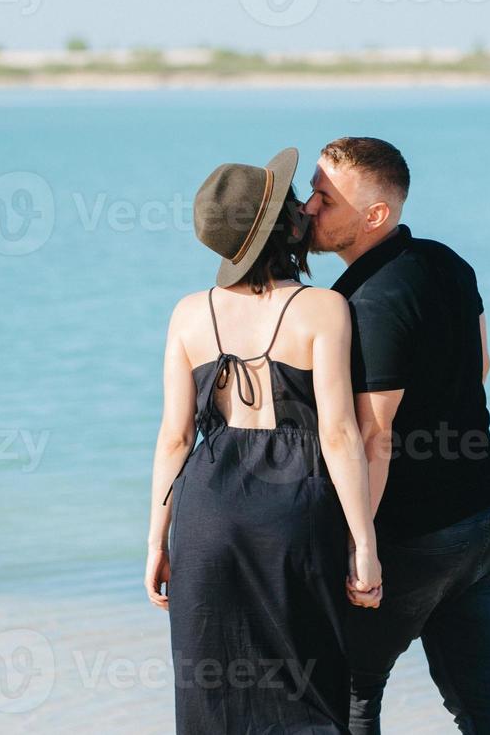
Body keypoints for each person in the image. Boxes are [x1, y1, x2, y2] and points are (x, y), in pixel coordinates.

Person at [146, 146, 383, 735]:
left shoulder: (187, 313)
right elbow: (338, 432)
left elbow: (174, 438)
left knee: (213, 694)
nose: (305, 207)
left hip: (206, 512)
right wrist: (364, 542)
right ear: (287, 228)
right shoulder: (322, 308)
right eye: (292, 205)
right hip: (293, 510)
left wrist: (156, 539)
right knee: (308, 689)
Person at [303, 136, 490, 735]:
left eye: (323, 198)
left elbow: (374, 436)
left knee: (348, 699)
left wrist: (360, 546)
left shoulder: (362, 302)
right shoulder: (447, 260)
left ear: (375, 215)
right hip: (484, 519)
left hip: (411, 538)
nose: (307, 209)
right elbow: (480, 366)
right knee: (480, 702)